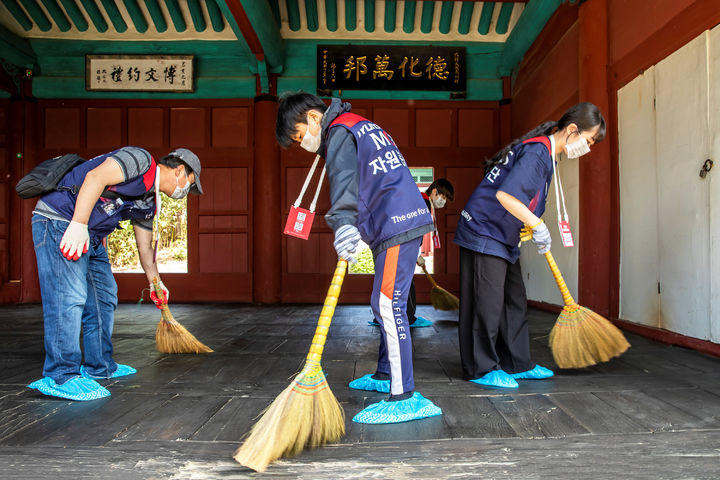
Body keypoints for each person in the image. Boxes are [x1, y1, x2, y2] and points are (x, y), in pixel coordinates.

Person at [276, 92, 442, 424]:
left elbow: (345, 183)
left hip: (396, 222)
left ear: (312, 117)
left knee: (387, 303)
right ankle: (385, 374)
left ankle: (404, 395)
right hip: (396, 220)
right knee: (384, 301)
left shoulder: (338, 130)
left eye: (299, 136)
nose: (303, 143)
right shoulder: (358, 125)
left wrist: (343, 225)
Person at [27, 147, 203, 401]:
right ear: (179, 170)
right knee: (69, 297)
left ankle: (99, 365)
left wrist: (156, 283)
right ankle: (60, 375)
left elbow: (145, 248)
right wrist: (77, 225)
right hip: (61, 222)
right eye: (190, 183)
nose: (186, 192)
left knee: (104, 296)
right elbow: (95, 178)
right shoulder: (140, 160)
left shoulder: (148, 199)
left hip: (92, 236)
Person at [454, 102, 606, 388]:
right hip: (484, 230)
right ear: (572, 130)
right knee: (485, 302)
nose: (588, 147)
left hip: (504, 234)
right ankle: (481, 367)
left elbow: (524, 201)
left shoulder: (546, 155)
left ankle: (516, 362)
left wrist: (529, 225)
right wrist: (537, 226)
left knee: (513, 299)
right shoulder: (537, 153)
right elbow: (506, 197)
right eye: (588, 141)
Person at [369, 178, 454, 328]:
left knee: (388, 281)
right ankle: (409, 318)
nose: (444, 202)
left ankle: (380, 317)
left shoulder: (417, 199)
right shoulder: (424, 204)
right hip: (399, 246)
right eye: (444, 197)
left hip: (385, 243)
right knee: (406, 284)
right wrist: (416, 255)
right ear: (435, 192)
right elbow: (413, 232)